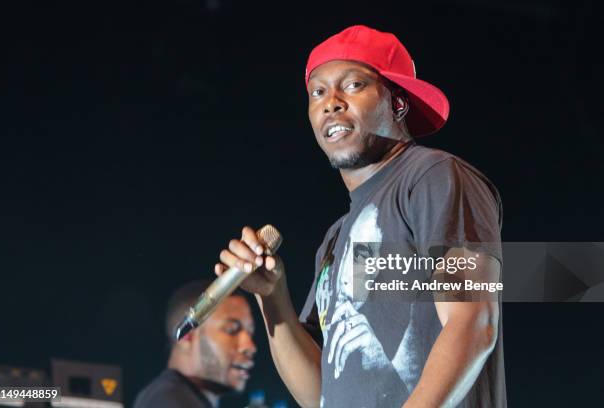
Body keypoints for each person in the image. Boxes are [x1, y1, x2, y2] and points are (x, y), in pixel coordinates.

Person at [214, 25, 505, 407]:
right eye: (317, 91)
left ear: (397, 104)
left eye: (352, 86)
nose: (330, 102)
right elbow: (320, 391)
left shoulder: (433, 176)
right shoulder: (336, 239)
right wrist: (272, 297)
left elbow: (472, 323)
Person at [134, 280, 257, 408]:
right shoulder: (167, 402)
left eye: (250, 333)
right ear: (186, 334)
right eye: (231, 329)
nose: (250, 346)